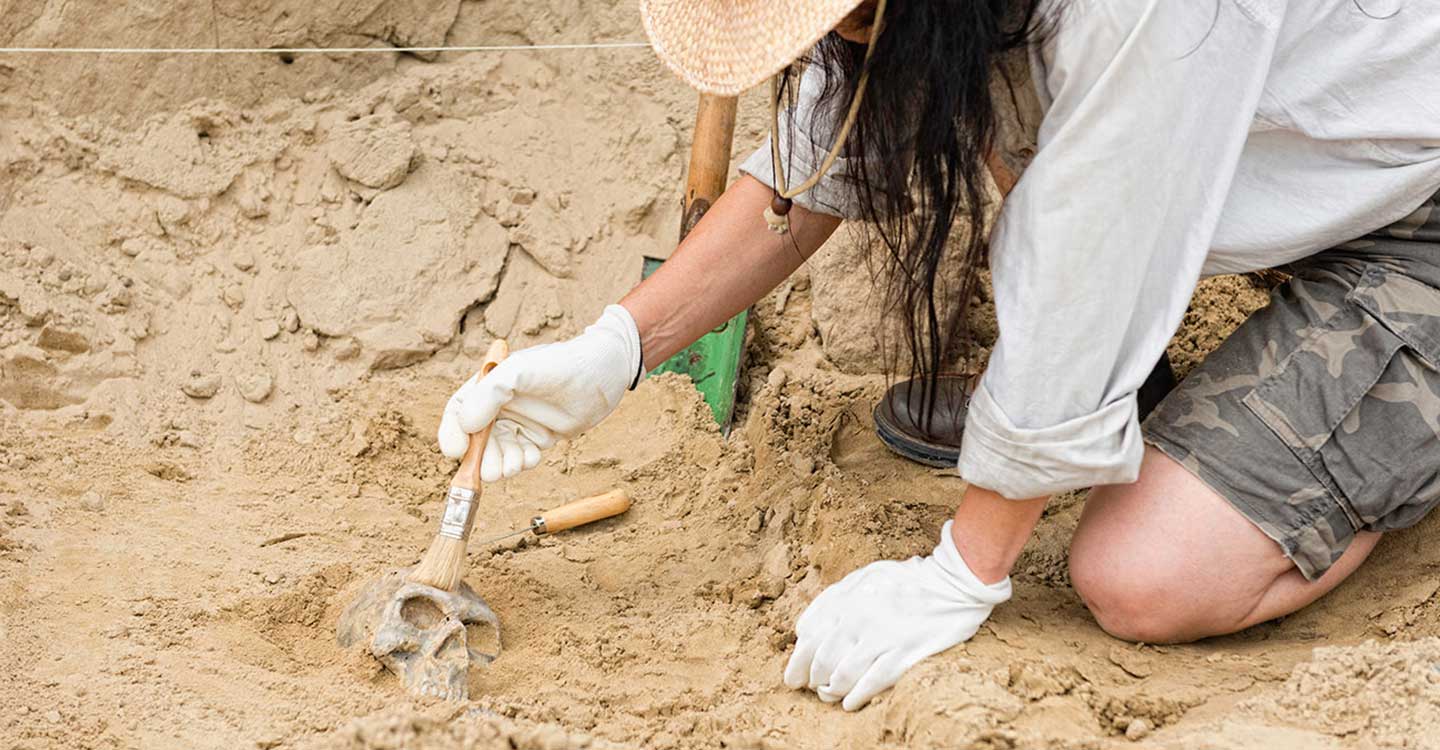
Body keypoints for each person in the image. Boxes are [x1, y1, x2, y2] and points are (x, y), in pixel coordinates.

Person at [437, 0, 1440, 712]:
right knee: (989, 87)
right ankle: (1118, 413)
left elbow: (1090, 247)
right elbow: (832, 146)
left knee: (1146, 575)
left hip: (1415, 223)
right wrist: (615, 350)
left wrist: (964, 568)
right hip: (1304, 185)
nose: (832, 33)